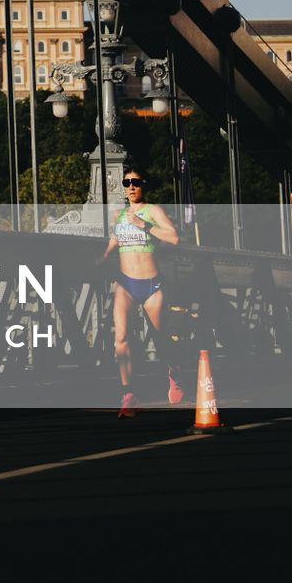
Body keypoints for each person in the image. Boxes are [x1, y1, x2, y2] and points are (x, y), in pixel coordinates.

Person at [101, 169, 183, 416]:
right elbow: (115, 240)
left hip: (151, 285)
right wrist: (102, 258)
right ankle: (128, 394)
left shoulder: (153, 210)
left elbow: (174, 238)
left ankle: (173, 375)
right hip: (125, 282)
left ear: (142, 185)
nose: (131, 186)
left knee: (160, 338)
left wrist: (145, 225)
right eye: (127, 183)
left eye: (135, 182)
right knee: (121, 338)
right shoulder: (121, 214)